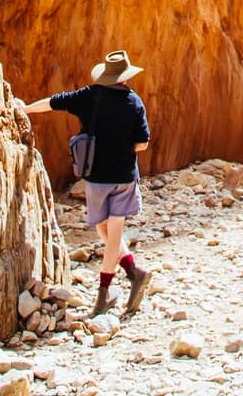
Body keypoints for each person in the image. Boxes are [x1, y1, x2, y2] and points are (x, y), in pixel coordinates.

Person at [26, 49, 152, 315]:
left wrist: (25, 108)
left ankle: (103, 296)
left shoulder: (89, 96)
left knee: (104, 230)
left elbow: (53, 102)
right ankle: (133, 272)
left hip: (95, 179)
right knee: (112, 234)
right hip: (124, 178)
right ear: (125, 78)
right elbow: (142, 144)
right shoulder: (134, 102)